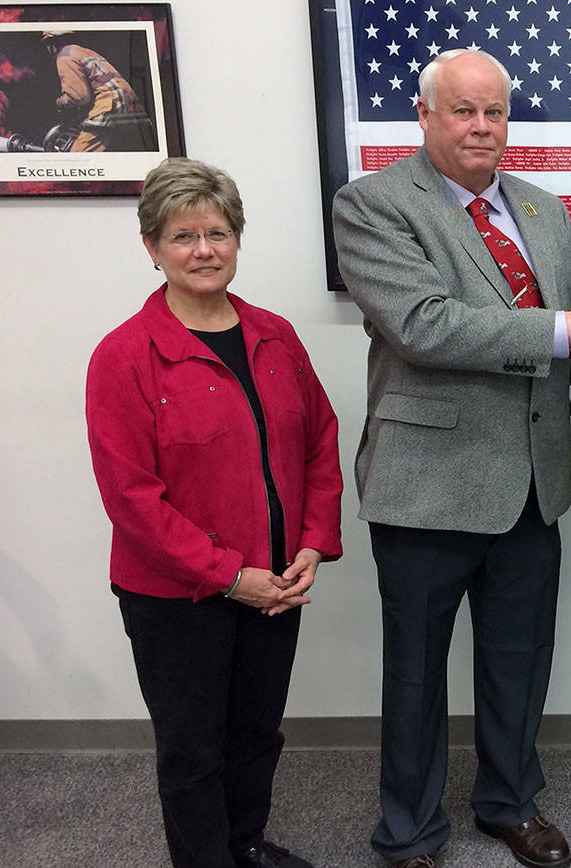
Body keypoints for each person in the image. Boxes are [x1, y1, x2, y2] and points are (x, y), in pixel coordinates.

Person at [331, 49, 571, 868]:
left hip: (533, 485)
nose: (481, 127)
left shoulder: (542, 210)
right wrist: (569, 331)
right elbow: (425, 325)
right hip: (425, 486)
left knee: (519, 664)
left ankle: (508, 802)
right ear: (424, 117)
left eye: (495, 111)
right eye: (462, 110)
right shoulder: (373, 205)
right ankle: (410, 831)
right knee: (417, 674)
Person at [85, 157, 344, 868]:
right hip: (177, 597)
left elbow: (319, 441)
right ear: (152, 248)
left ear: (237, 240)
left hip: (277, 583)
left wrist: (312, 546)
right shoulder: (125, 356)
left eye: (219, 232)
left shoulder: (276, 336)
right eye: (183, 236)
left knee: (258, 732)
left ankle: (245, 842)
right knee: (193, 749)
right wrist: (233, 576)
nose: (204, 249)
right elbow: (133, 501)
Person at [41, 30, 151, 152]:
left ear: (51, 43)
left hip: (109, 102)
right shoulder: (85, 51)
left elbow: (80, 97)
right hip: (129, 101)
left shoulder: (64, 56)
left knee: (78, 158)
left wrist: (60, 102)